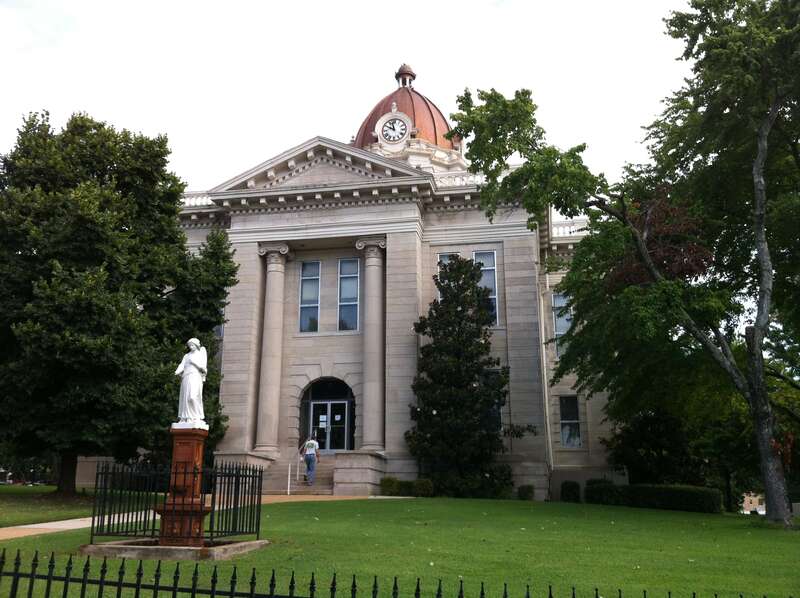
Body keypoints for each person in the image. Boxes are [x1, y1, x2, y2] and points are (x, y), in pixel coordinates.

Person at [174, 338, 207, 424]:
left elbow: (204, 369)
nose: (191, 347)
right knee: (185, 397)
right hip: (186, 377)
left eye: (192, 345)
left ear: (196, 345)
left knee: (192, 396)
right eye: (189, 346)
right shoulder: (186, 356)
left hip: (195, 376)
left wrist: (194, 363)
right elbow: (182, 365)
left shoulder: (200, 354)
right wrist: (177, 371)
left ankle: (197, 416)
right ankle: (186, 417)